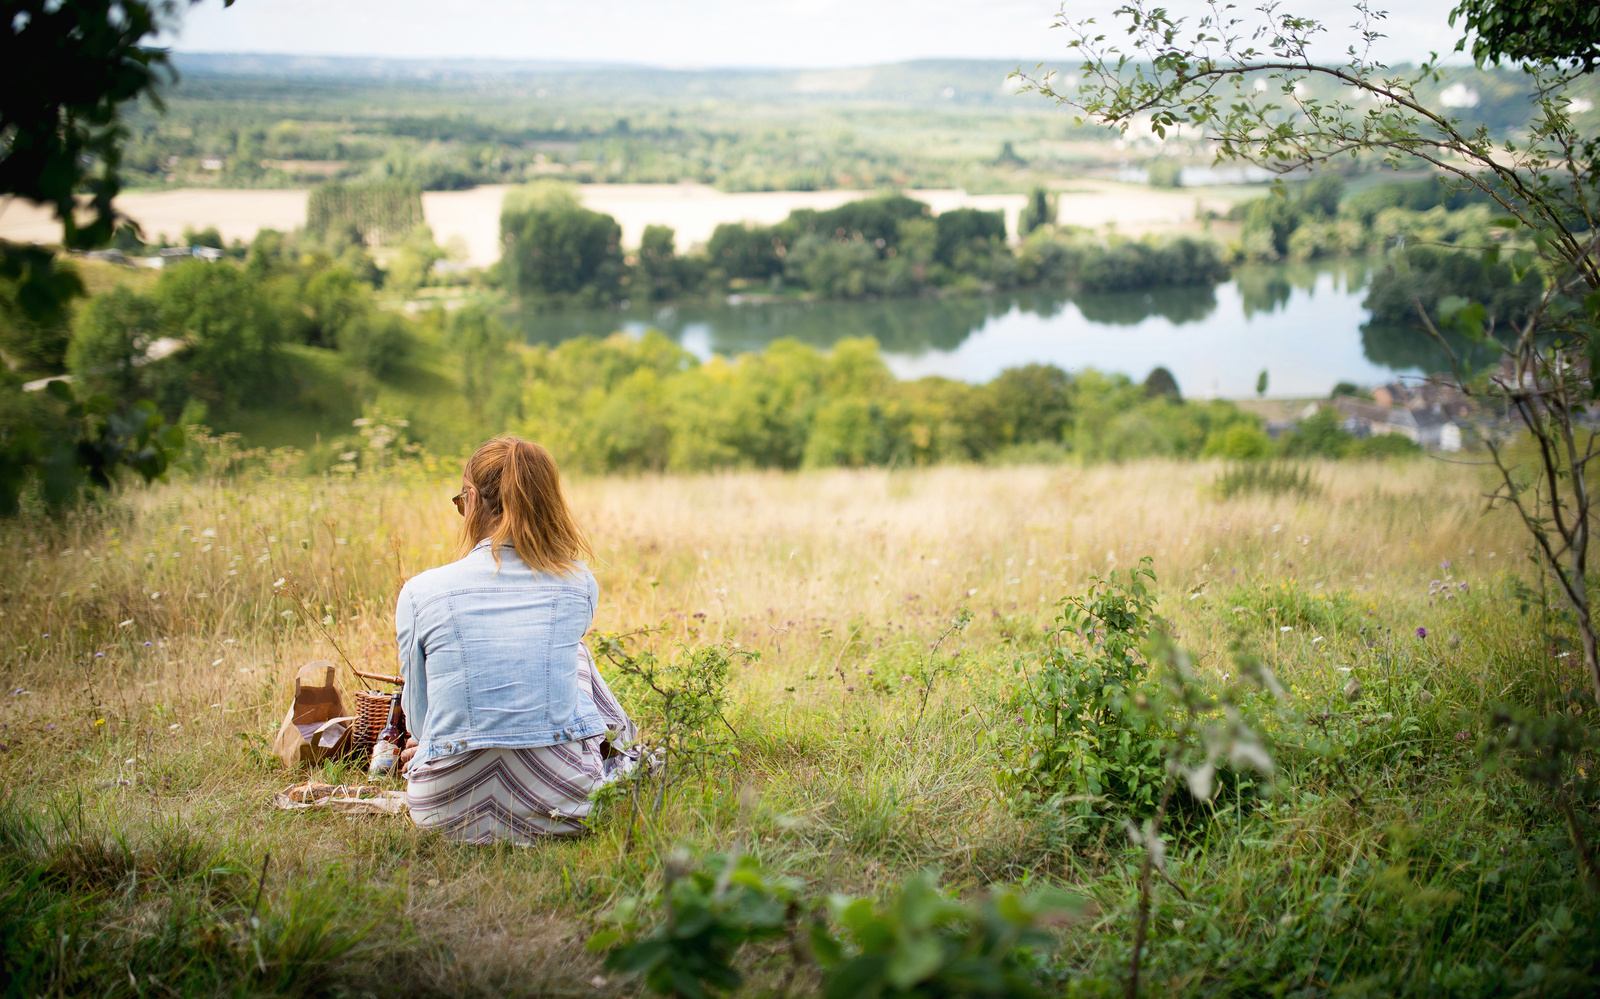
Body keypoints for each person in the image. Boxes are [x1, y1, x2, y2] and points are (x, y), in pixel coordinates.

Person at [394, 435, 638, 844]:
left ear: (471, 499)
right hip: (561, 805)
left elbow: (419, 721)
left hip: (443, 811)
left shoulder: (421, 592)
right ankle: (617, 747)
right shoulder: (577, 583)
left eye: (460, 503)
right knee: (574, 655)